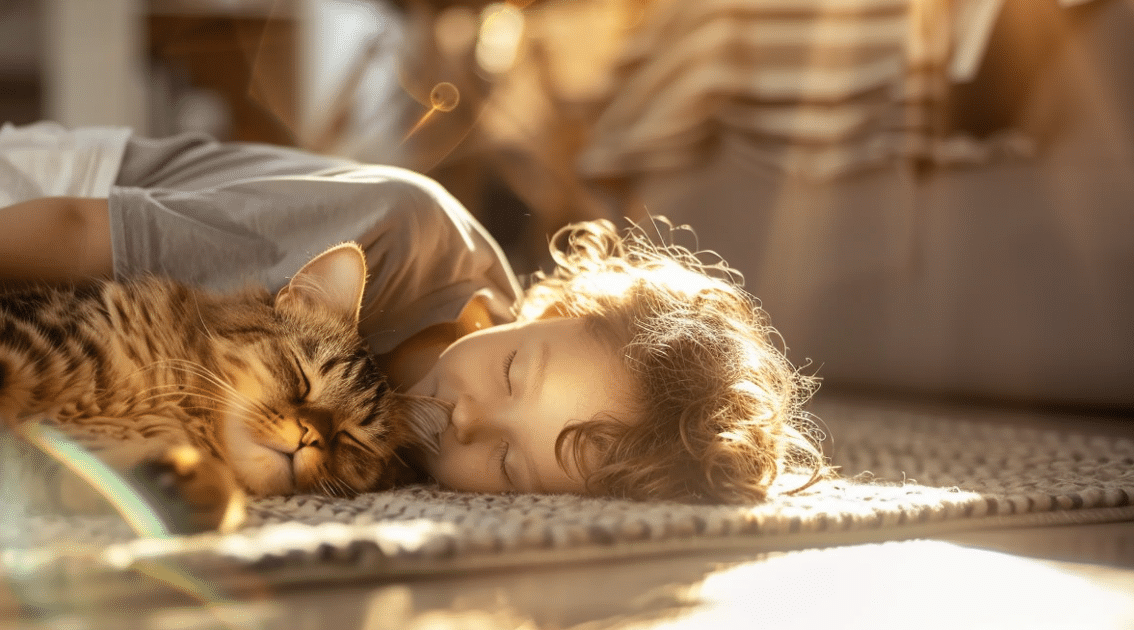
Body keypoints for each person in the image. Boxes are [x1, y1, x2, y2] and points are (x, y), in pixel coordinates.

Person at [0, 122, 828, 503]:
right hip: (46, 200)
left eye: (507, 465)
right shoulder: (396, 234)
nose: (467, 421)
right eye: (512, 371)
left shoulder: (378, 450)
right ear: (548, 305)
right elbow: (72, 234)